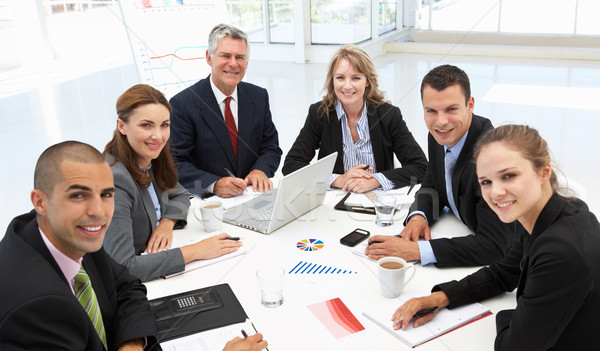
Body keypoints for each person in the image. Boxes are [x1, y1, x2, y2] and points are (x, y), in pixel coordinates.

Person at [0, 141, 268, 351]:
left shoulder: (63, 234)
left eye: (106, 194)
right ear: (40, 202)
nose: (98, 212)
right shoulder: (31, 307)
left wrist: (131, 347)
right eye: (78, 195)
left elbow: (127, 285)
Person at [391, 125, 600, 351]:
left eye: (509, 176)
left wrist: (508, 317)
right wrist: (441, 298)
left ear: (544, 171)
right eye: (486, 182)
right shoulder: (553, 213)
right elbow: (504, 272)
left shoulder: (559, 250)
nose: (496, 192)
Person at [366, 64, 515, 267]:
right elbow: (432, 185)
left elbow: (494, 246)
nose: (441, 121)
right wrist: (419, 216)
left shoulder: (491, 156)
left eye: (451, 109)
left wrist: (416, 250)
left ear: (470, 105)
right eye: (431, 111)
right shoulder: (439, 135)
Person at [103, 84, 241, 282]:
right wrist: (195, 251)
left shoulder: (150, 157)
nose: (158, 136)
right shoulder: (115, 180)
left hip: (156, 257)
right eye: (146, 125)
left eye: (164, 125)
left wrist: (166, 224)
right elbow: (124, 267)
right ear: (121, 126)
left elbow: (180, 194)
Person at [282, 44, 427, 193]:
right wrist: (338, 179)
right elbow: (291, 165)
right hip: (335, 200)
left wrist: (376, 180)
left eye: (356, 78)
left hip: (378, 201)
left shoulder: (389, 115)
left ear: (367, 81)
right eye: (340, 77)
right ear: (332, 80)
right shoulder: (319, 114)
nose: (347, 86)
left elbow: (421, 167)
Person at [170, 23, 282, 198]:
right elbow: (175, 164)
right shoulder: (183, 103)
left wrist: (260, 170)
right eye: (225, 56)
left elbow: (271, 147)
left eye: (240, 57)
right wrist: (213, 184)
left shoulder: (258, 96)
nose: (233, 64)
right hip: (210, 203)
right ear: (209, 58)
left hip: (252, 195)